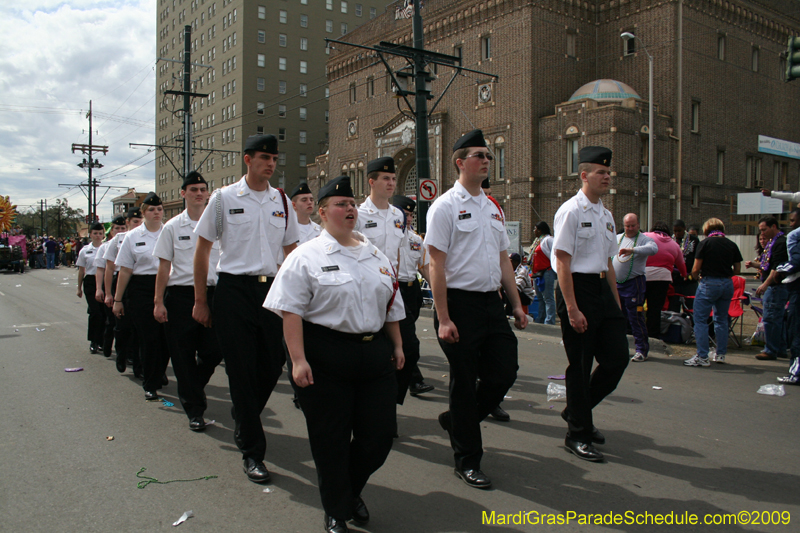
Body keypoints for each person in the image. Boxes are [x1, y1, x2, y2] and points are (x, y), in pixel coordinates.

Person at [264, 175, 405, 533]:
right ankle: (336, 508)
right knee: (331, 439)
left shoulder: (376, 255)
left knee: (379, 436)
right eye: (340, 205)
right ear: (323, 213)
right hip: (325, 354)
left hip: (374, 353)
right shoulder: (305, 257)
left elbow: (390, 305)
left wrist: (399, 345)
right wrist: (297, 359)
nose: (349, 209)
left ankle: (348, 489)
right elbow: (290, 310)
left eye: (353, 204)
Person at [193, 134, 300, 484]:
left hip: (271, 292)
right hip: (233, 291)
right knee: (239, 368)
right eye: (264, 157)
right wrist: (200, 300)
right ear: (247, 159)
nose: (270, 164)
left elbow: (292, 251)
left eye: (274, 158)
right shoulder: (223, 199)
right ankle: (253, 452)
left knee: (272, 363)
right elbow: (203, 250)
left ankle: (244, 414)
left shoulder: (281, 200)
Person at [425, 129, 527, 488]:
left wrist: (516, 304)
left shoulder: (493, 207)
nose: (486, 160)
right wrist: (444, 317)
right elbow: (435, 264)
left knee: (504, 371)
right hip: (458, 303)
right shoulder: (445, 207)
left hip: (490, 302)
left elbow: (503, 260)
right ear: (460, 162)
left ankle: (457, 421)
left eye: (488, 155)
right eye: (479, 155)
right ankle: (467, 459)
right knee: (465, 383)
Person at [552, 145, 629, 463]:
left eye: (608, 172)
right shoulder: (571, 211)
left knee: (616, 360)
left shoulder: (607, 215)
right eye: (601, 172)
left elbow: (609, 263)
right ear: (584, 175)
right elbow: (562, 262)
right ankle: (578, 434)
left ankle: (575, 411)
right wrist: (571, 308)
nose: (606, 176)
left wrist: (616, 301)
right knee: (581, 366)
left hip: (601, 289)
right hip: (577, 290)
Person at [153, 171, 223, 431]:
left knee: (215, 350)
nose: (199, 193)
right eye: (193, 189)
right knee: (182, 356)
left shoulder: (219, 224)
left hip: (213, 295)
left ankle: (194, 386)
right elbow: (163, 266)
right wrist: (158, 302)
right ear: (183, 194)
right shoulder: (172, 227)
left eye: (203, 189)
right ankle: (195, 410)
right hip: (181, 296)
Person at [113, 193, 169, 401]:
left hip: (167, 286)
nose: (157, 213)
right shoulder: (133, 236)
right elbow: (125, 270)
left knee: (166, 339)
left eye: (159, 209)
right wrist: (118, 300)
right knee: (149, 338)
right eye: (152, 210)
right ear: (144, 212)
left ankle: (159, 370)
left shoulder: (169, 231)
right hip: (142, 288)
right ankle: (150, 383)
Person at [391, 194, 435, 403]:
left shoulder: (416, 239)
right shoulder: (388, 236)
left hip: (412, 290)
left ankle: (406, 378)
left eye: (410, 215)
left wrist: (438, 290)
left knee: (403, 337)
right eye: (404, 214)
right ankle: (413, 380)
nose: (408, 218)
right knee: (408, 341)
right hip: (394, 289)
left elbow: (425, 267)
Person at [683, 219, 743, 367]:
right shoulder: (731, 244)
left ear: (706, 230)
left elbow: (696, 269)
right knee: (722, 319)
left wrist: (695, 277)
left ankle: (702, 356)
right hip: (727, 284)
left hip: (709, 283)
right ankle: (721, 354)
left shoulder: (705, 244)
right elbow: (737, 270)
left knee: (701, 320)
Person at [613, 213, 658, 362]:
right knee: (618, 317)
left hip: (634, 283)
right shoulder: (618, 238)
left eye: (633, 225)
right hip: (617, 284)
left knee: (635, 317)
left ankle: (641, 349)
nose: (630, 228)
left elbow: (653, 249)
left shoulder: (644, 239)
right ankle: (619, 348)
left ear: (638, 225)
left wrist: (632, 250)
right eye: (627, 226)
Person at [104, 208, 144, 377]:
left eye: (140, 221)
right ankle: (121, 354)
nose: (138, 224)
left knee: (138, 328)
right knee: (123, 326)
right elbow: (109, 267)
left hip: (139, 284)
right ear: (127, 222)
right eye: (135, 221)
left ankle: (138, 363)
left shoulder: (149, 235)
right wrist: (108, 293)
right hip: (121, 282)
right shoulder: (119, 239)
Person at [354, 156, 407, 271]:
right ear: (372, 182)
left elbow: (397, 252)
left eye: (393, 179)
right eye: (386, 179)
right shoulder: (359, 215)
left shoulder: (398, 215)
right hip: (368, 280)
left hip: (392, 282)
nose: (391, 183)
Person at [754, 216, 789, 361]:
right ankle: (780, 348)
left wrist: (765, 284)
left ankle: (771, 350)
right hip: (776, 286)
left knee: (771, 319)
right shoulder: (772, 243)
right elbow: (767, 265)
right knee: (777, 319)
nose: (762, 233)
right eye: (760, 230)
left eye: (764, 229)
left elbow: (776, 267)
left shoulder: (780, 243)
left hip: (776, 287)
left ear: (774, 227)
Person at [644, 221, 687, 339]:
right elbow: (681, 265)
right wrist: (684, 275)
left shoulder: (646, 236)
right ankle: (653, 335)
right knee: (655, 309)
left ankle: (636, 331)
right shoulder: (674, 245)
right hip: (662, 279)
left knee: (638, 305)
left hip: (643, 276)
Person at [94, 216, 128, 361]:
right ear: (111, 230)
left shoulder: (129, 240)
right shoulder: (105, 246)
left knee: (126, 320)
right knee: (111, 319)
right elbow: (103, 269)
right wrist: (102, 290)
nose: (120, 231)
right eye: (117, 228)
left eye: (122, 228)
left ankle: (129, 353)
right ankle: (107, 343)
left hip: (127, 281)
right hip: (113, 281)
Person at [776, 208, 800, 384]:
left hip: (797, 289)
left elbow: (796, 262)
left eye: (793, 220)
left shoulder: (794, 236)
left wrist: (781, 269)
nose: (791, 225)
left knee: (796, 331)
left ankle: (796, 373)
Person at [75, 222, 107, 355]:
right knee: (95, 313)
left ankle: (102, 341)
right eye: (95, 233)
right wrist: (79, 288)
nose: (98, 236)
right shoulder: (85, 250)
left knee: (104, 313)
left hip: (105, 281)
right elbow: (81, 271)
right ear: (90, 234)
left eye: (100, 233)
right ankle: (93, 341)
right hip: (90, 282)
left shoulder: (107, 248)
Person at [530, 221, 556, 325]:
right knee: (540, 298)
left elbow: (554, 255)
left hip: (546, 272)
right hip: (537, 273)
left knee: (548, 298)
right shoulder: (537, 241)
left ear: (540, 230)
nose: (534, 231)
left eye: (535, 229)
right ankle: (541, 319)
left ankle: (549, 321)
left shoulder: (548, 240)